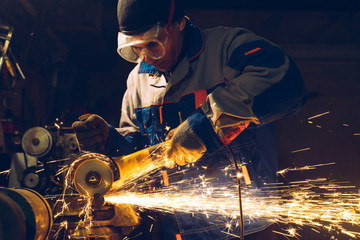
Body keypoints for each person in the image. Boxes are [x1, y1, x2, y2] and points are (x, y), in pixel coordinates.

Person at [72, 0, 307, 239]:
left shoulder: (226, 50)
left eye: (153, 45)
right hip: (176, 232)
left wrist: (206, 126)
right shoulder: (137, 80)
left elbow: (286, 82)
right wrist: (110, 140)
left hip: (245, 229)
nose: (147, 57)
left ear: (178, 24)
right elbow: (142, 152)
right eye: (136, 48)